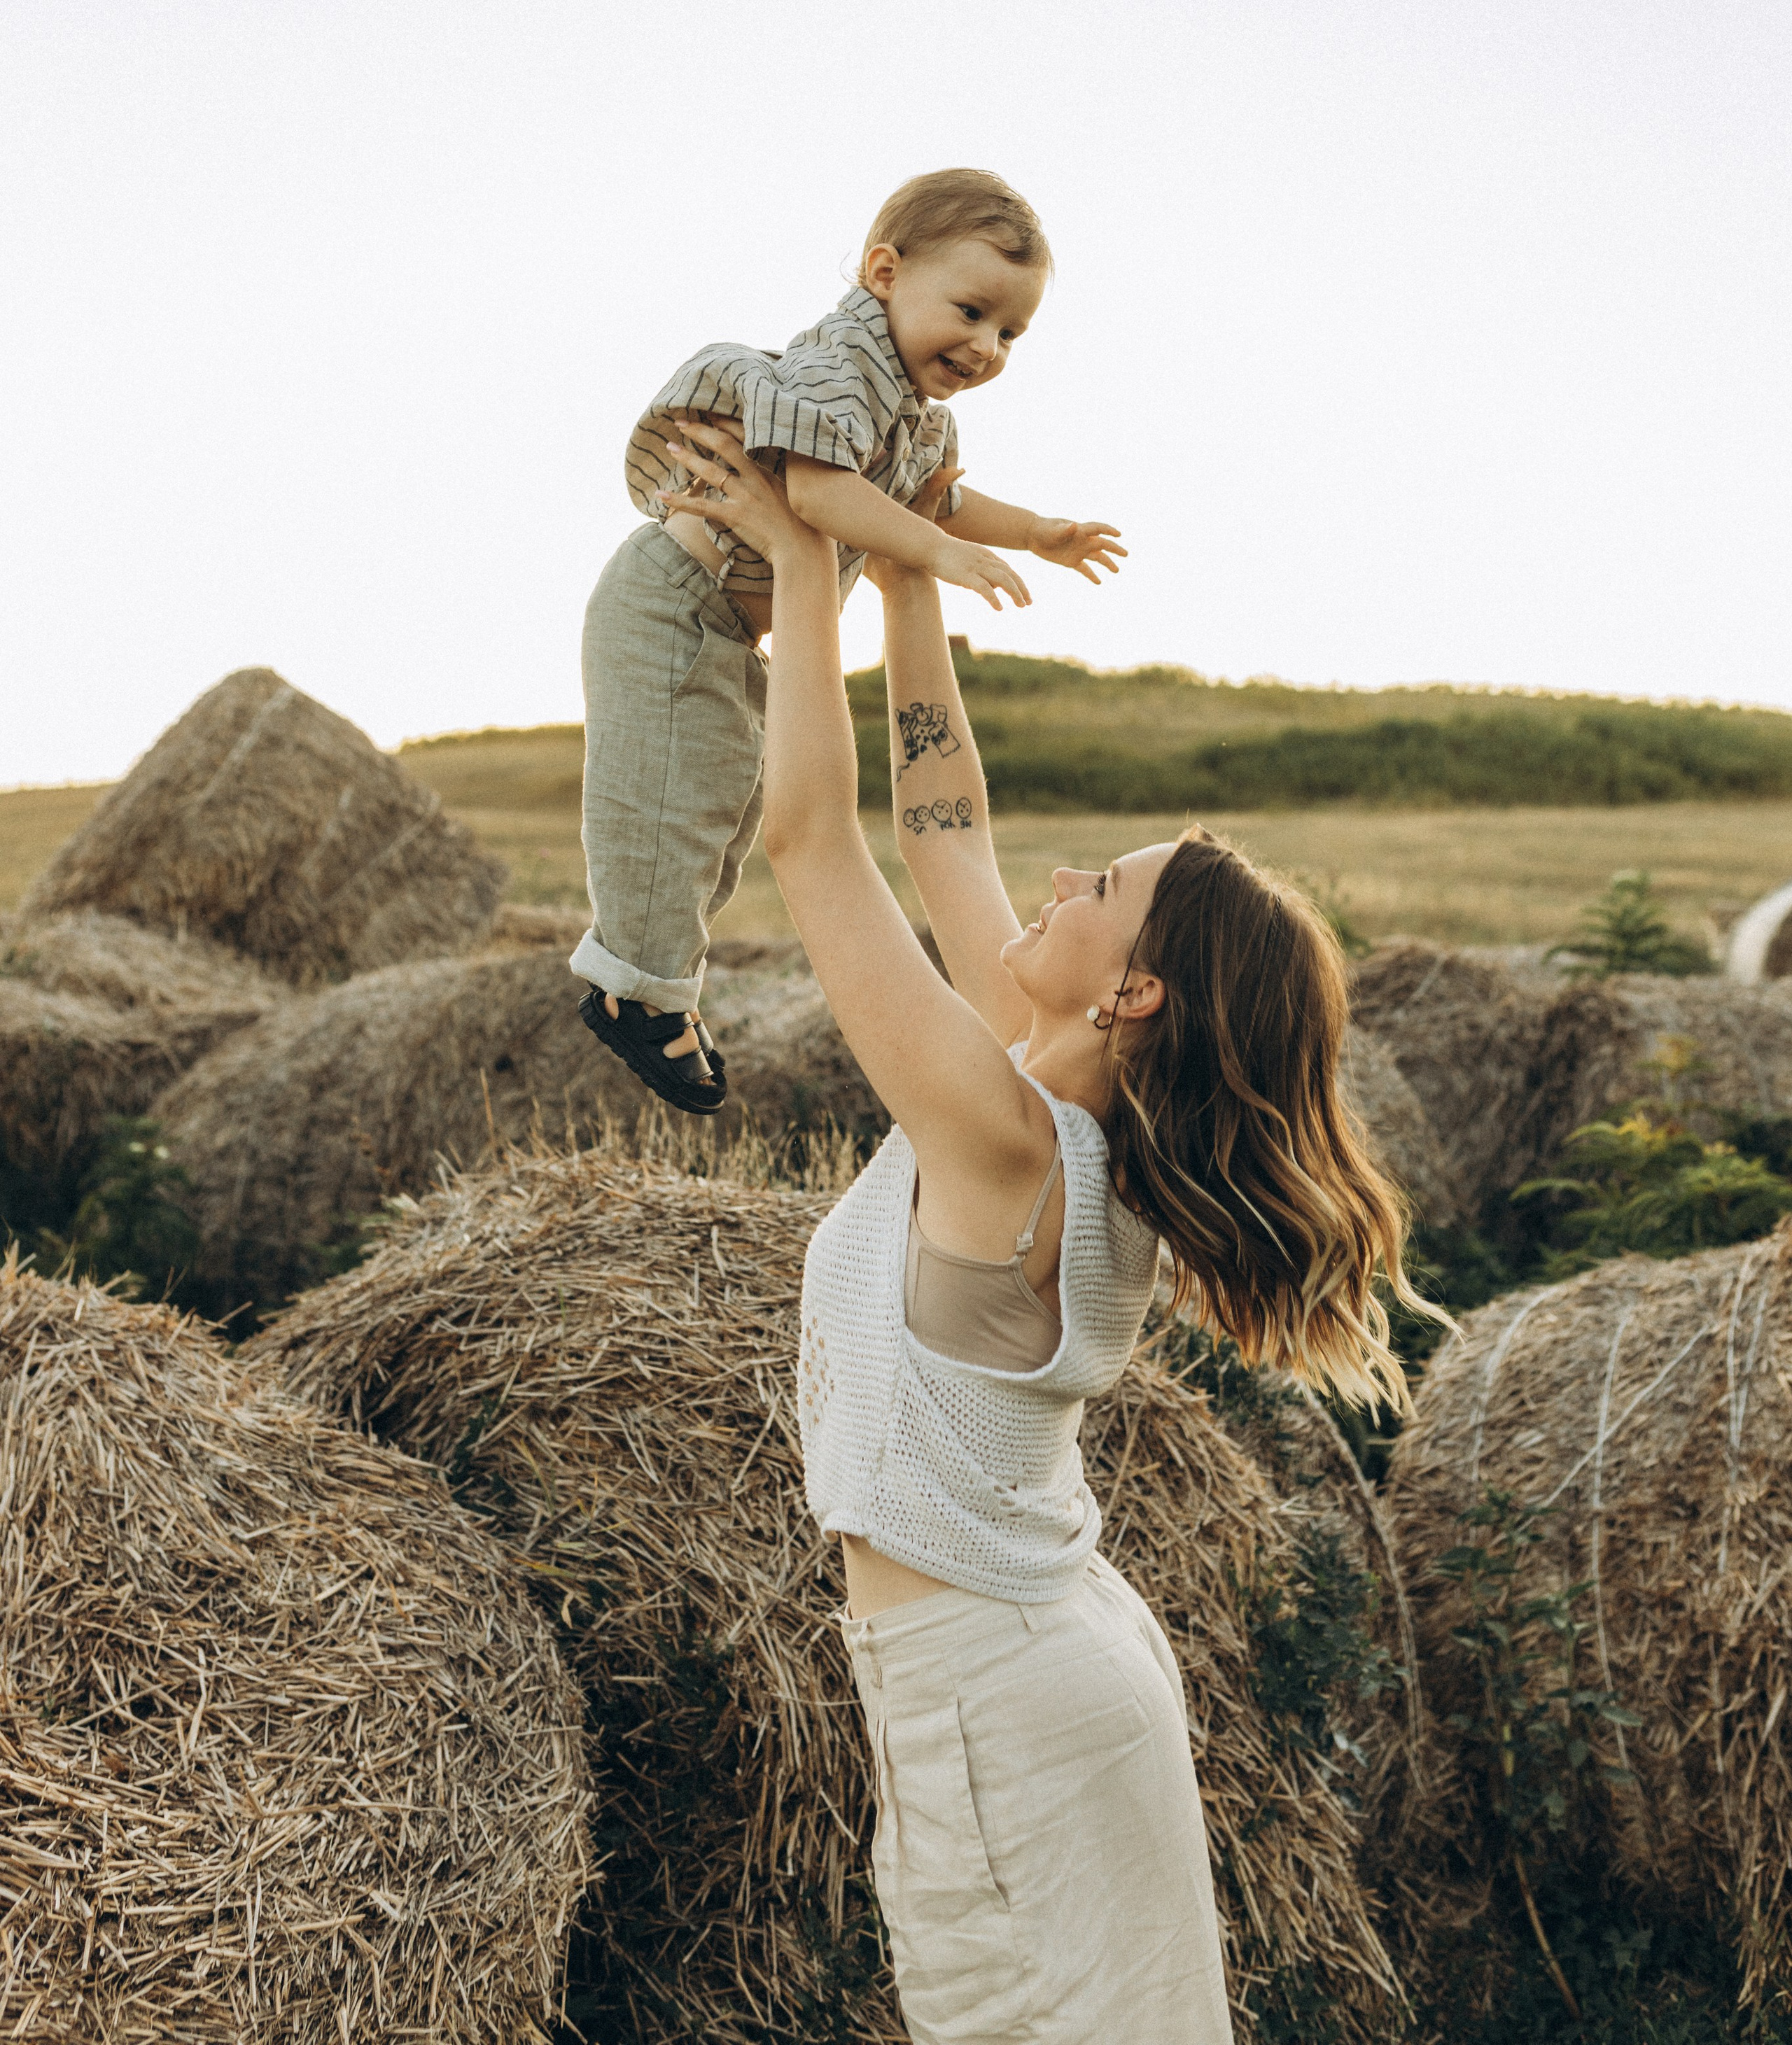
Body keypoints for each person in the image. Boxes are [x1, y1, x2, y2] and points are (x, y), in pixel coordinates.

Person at [652, 417, 1441, 2045]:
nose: (1055, 880)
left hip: (995, 1698)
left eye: (1098, 885)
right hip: (1040, 1663)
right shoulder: (1056, 1108)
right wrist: (910, 568)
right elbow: (938, 821)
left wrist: (800, 564)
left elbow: (810, 840)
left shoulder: (1008, 1139)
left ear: (1129, 988)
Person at [570, 168, 1125, 1115]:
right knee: (674, 793)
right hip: (671, 602)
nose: (988, 345)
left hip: (725, 628)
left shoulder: (911, 414)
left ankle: (665, 974)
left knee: (733, 800)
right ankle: (635, 989)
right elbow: (823, 498)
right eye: (972, 311)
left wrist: (1035, 531)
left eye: (1011, 333)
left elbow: (933, 493)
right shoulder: (838, 371)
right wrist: (939, 555)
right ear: (883, 273)